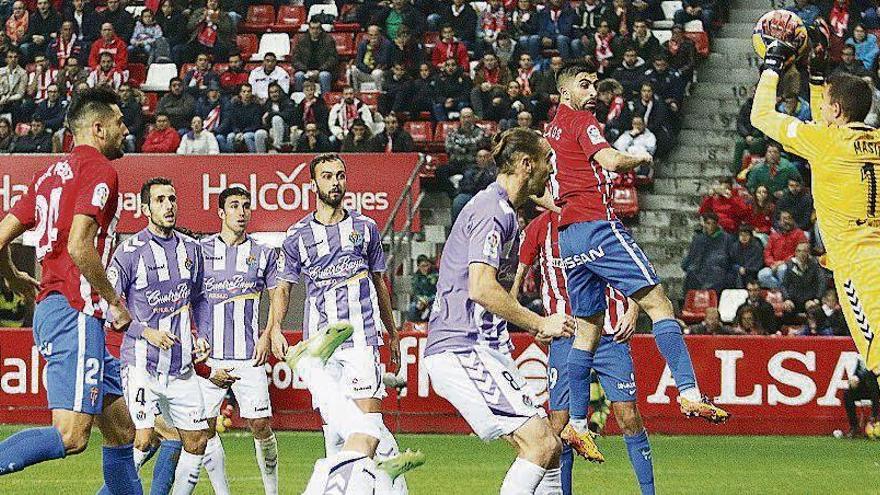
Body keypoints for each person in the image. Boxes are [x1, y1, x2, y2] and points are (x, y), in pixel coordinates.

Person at [546, 62, 728, 458]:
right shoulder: (581, 121)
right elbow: (610, 160)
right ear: (566, 94)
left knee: (587, 331)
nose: (592, 90)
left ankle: (578, 424)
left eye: (594, 84)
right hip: (597, 225)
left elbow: (552, 183)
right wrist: (641, 157)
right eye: (584, 84)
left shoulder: (554, 127)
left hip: (568, 237)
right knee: (659, 303)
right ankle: (690, 392)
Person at [0, 87, 143, 494]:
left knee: (120, 431)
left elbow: (0, 237)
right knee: (71, 435)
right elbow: (81, 245)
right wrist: (114, 301)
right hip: (76, 312)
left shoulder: (50, 175)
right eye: (118, 122)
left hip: (57, 309)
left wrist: (11, 276)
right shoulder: (100, 171)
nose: (125, 129)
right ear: (98, 128)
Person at [425, 128, 573, 495]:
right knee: (541, 444)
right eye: (547, 161)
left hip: (484, 347)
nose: (552, 170)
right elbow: (481, 288)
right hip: (462, 347)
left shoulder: (503, 208)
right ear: (526, 164)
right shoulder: (494, 213)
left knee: (550, 449)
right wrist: (540, 322)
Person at [269, 153, 424, 493]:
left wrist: (392, 331)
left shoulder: (365, 228)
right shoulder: (297, 236)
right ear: (313, 184)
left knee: (367, 425)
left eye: (340, 175)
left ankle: (379, 482)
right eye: (327, 176)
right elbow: (283, 287)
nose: (335, 182)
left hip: (362, 338)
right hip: (319, 345)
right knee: (337, 430)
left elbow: (380, 282)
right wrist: (276, 327)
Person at [513, 208, 655, 495]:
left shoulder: (601, 217)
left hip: (609, 332)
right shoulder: (540, 227)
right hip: (565, 334)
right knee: (560, 424)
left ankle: (649, 492)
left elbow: (634, 268)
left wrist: (633, 309)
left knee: (628, 416)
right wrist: (534, 325)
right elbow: (513, 287)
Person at [109, 177, 210, 495]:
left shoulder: (192, 249)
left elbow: (201, 297)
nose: (169, 205)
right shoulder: (128, 252)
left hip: (181, 368)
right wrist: (145, 332)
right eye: (160, 200)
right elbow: (111, 309)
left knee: (197, 441)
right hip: (141, 364)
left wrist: (202, 334)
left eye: (172, 198)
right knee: (144, 437)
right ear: (145, 208)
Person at [193, 187, 281, 495]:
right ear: (221, 213)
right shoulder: (198, 252)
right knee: (202, 429)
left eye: (246, 206)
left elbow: (278, 296)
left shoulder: (264, 253)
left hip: (248, 355)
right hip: (208, 357)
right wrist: (193, 337)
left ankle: (272, 491)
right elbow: (184, 297)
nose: (241, 211)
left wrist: (268, 334)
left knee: (260, 425)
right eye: (234, 206)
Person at [681, 212, 734, 293]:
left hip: (718, 270)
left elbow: (730, 258)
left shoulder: (726, 238)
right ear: (704, 224)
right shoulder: (698, 239)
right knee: (691, 273)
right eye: (708, 223)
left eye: (713, 223)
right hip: (700, 269)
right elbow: (692, 256)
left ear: (717, 224)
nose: (711, 226)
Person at [757, 210, 808, 289]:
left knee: (782, 269)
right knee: (762, 274)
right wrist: (772, 263)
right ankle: (781, 290)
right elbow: (767, 252)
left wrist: (782, 262)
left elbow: (800, 252)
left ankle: (785, 293)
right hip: (774, 265)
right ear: (779, 221)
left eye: (789, 218)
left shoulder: (799, 233)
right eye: (784, 219)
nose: (786, 221)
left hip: (791, 265)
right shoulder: (774, 235)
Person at [291, 19, 338, 94]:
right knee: (298, 75)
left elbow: (333, 59)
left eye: (317, 28)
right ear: (309, 29)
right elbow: (294, 59)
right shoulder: (301, 40)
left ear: (320, 29)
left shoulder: (328, 40)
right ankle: (299, 101)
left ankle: (325, 101)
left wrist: (319, 70)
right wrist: (305, 70)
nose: (315, 31)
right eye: (312, 28)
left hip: (322, 70)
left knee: (324, 76)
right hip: (305, 70)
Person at [780, 242, 828, 316]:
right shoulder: (790, 265)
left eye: (804, 251)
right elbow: (784, 285)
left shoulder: (815, 265)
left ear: (808, 253)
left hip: (810, 299)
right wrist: (787, 299)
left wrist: (817, 299)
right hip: (794, 299)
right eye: (799, 251)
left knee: (815, 310)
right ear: (795, 253)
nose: (801, 253)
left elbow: (822, 282)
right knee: (786, 308)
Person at [451, 148, 497, 222]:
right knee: (458, 201)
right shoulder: (470, 170)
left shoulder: (494, 171)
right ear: (476, 159)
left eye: (485, 156)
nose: (482, 159)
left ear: (490, 158)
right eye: (480, 156)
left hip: (487, 195)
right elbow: (464, 185)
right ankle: (456, 229)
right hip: (470, 194)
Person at [225, 83, 269, 153]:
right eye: (244, 91)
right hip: (238, 131)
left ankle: (253, 158)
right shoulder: (234, 106)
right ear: (240, 93)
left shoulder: (256, 106)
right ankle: (231, 161)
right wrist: (237, 132)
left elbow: (256, 124)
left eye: (249, 91)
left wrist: (243, 132)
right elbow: (233, 123)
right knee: (230, 137)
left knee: (247, 136)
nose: (246, 94)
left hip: (251, 131)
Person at [843, 358, 880, 437]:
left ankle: (874, 417)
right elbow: (858, 372)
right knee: (848, 393)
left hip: (876, 387)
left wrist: (859, 377)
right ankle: (854, 427)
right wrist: (854, 380)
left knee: (873, 385)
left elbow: (874, 373)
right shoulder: (862, 356)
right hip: (866, 389)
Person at [350, 24, 392, 92]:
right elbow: (358, 62)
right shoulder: (363, 44)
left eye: (375, 35)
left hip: (381, 73)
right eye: (371, 35)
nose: (373, 37)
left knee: (376, 73)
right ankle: (356, 93)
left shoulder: (386, 44)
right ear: (367, 35)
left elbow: (383, 62)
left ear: (380, 35)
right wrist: (368, 70)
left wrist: (373, 49)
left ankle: (379, 95)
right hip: (367, 71)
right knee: (353, 69)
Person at [262, 82, 295, 151]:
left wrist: (272, 114)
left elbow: (287, 116)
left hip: (286, 129)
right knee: (260, 133)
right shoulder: (268, 103)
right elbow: (265, 119)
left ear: (280, 92)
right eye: (271, 92)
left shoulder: (287, 101)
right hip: (271, 130)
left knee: (276, 119)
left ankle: (277, 145)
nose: (274, 94)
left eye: (276, 92)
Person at [407, 254, 438, 322]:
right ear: (418, 266)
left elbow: (438, 291)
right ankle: (415, 326)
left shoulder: (435, 275)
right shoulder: (416, 278)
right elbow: (416, 292)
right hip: (421, 300)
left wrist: (429, 299)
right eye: (423, 266)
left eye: (427, 265)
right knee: (413, 307)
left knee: (434, 309)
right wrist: (421, 299)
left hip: (433, 300)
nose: (425, 268)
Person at [0, 50, 27, 124]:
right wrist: (2, 96)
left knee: (16, 107)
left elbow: (20, 94)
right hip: (2, 97)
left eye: (15, 57)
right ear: (6, 59)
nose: (13, 59)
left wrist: (7, 99)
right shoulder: (1, 71)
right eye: (10, 57)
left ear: (18, 58)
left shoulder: (23, 73)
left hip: (14, 100)